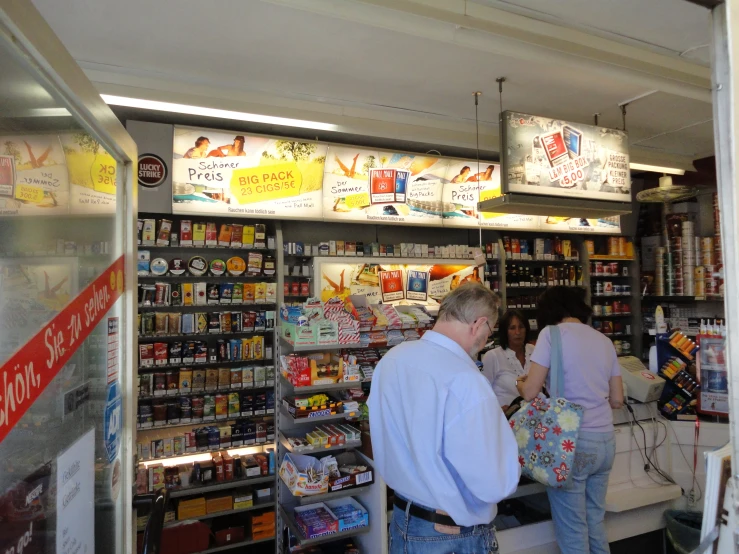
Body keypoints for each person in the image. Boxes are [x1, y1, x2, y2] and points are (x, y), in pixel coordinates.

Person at [368, 283, 520, 554]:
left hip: (404, 520)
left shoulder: (393, 359)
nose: (486, 339)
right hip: (451, 535)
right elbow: (493, 483)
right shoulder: (467, 381)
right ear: (479, 324)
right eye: (490, 332)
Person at [517, 286, 623, 554]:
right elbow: (617, 399)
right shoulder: (604, 341)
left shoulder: (550, 335)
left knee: (573, 530)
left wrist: (520, 385)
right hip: (605, 442)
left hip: (570, 443)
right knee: (595, 522)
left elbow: (531, 391)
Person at [481, 309, 534, 410]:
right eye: (512, 328)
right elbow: (482, 392)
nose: (517, 332)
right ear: (505, 332)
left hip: (534, 416)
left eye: (521, 327)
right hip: (505, 419)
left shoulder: (534, 351)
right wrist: (496, 409)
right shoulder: (492, 356)